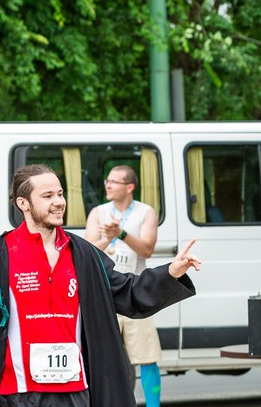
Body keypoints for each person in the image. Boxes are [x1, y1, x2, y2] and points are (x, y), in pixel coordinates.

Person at [0, 164, 201, 407]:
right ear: (23, 204)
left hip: (76, 391)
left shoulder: (85, 255)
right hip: (16, 393)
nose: (58, 202)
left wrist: (171, 273)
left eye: (59, 193)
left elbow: (130, 294)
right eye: (47, 196)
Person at [84, 165, 162, 406]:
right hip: (104, 294)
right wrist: (108, 237)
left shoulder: (146, 212)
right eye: (107, 180)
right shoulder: (98, 212)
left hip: (134, 291)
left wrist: (123, 233)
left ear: (129, 187)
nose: (108, 185)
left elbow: (147, 249)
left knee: (146, 356)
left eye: (114, 182)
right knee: (104, 357)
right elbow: (88, 253)